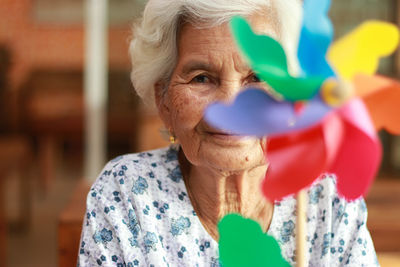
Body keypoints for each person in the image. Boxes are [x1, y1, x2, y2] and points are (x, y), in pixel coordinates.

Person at [78, 0, 379, 266]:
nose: (231, 106)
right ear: (164, 101)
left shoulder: (329, 197)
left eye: (257, 77)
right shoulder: (125, 194)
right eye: (202, 78)